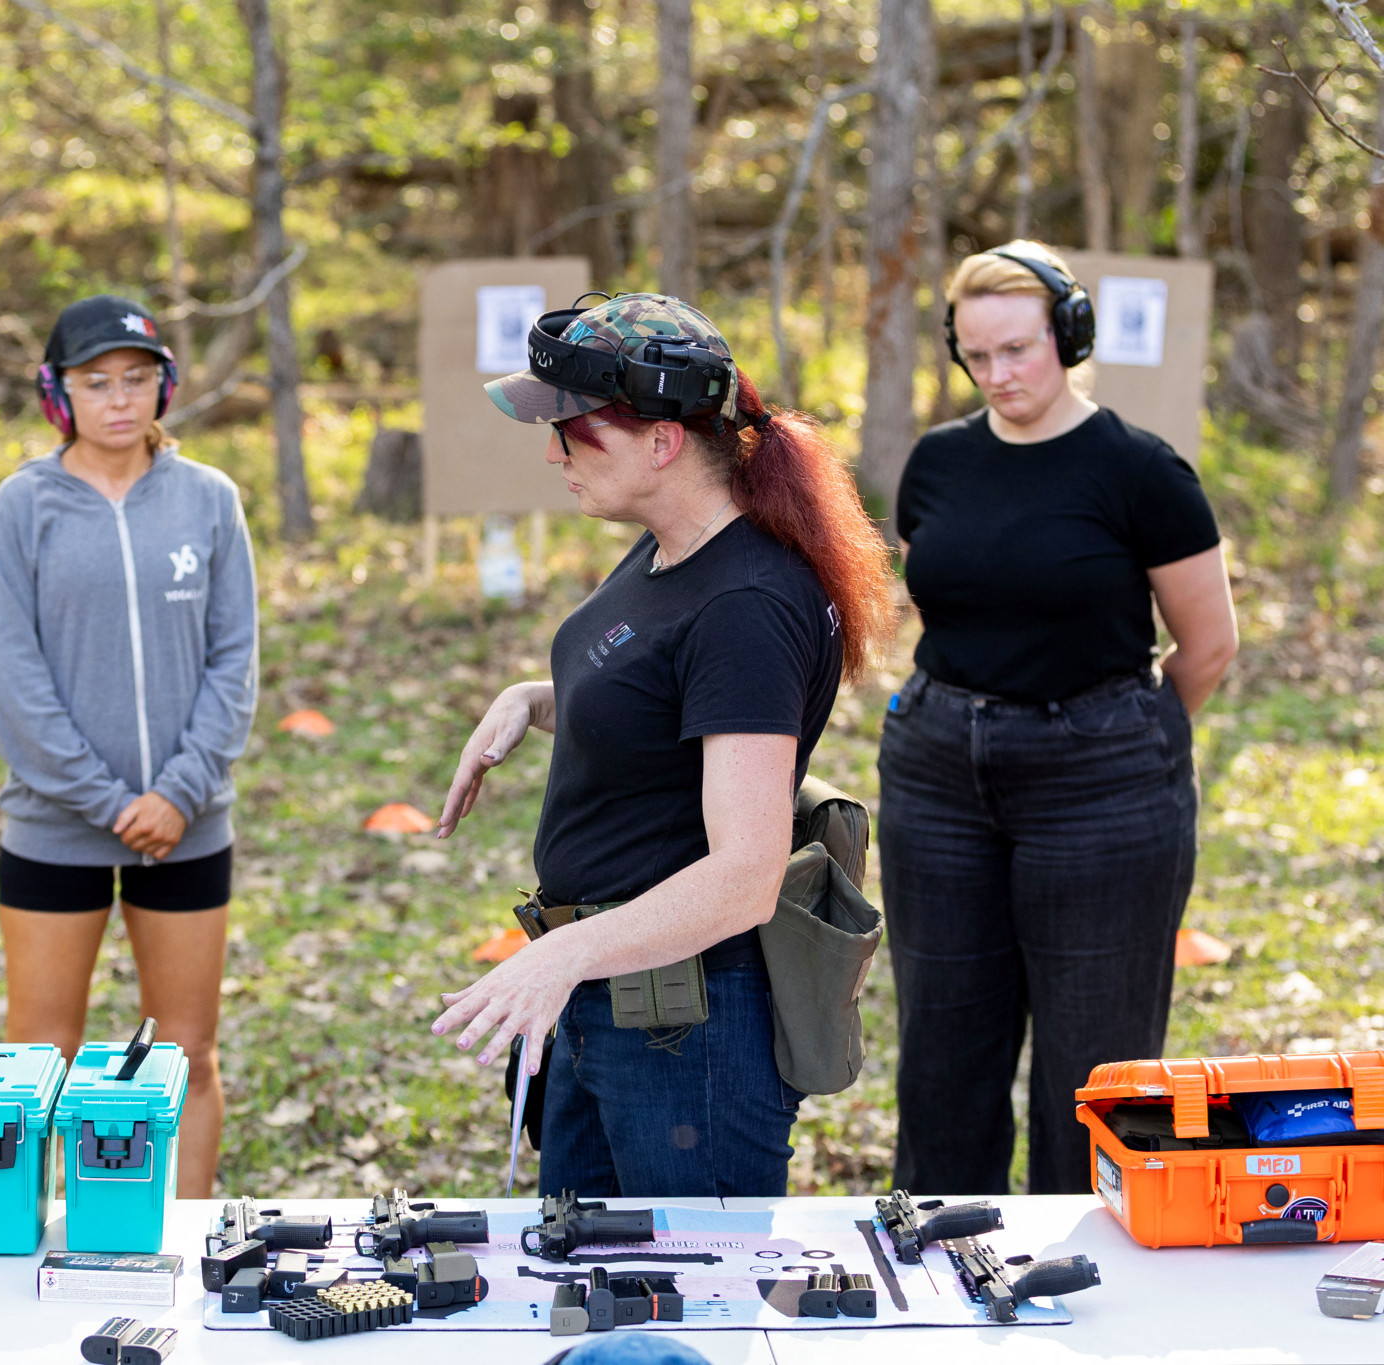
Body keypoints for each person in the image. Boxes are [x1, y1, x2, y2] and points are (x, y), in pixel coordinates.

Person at [428, 294, 894, 1197]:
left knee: (688, 1314)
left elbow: (745, 875)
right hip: (613, 992)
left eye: (574, 431)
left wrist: (560, 955)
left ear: (662, 440)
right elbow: (667, 697)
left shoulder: (746, 604)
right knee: (588, 1296)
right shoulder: (671, 549)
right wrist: (535, 700)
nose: (553, 452)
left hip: (686, 1029)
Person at [880, 242, 1238, 1196]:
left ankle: (1080, 1296)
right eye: (976, 355)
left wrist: (1129, 739)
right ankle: (941, 1276)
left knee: (1094, 1067)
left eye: (1019, 349)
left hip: (1102, 778)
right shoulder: (939, 462)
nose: (998, 375)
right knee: (943, 1050)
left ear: (1068, 337)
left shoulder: (1139, 470)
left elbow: (1208, 645)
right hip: (939, 772)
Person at [0, 294, 256, 1199]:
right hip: (56, 825)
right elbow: (12, 680)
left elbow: (234, 659)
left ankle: (186, 1244)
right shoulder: (22, 506)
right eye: (95, 383)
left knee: (187, 1053)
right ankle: (26, 1256)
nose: (119, 400)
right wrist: (105, 800)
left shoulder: (210, 500)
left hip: (187, 822)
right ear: (58, 395)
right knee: (39, 1060)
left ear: (164, 387)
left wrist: (178, 790)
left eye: (136, 380)